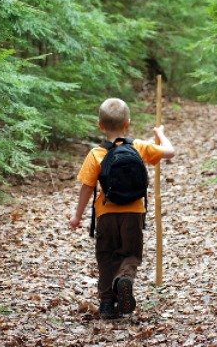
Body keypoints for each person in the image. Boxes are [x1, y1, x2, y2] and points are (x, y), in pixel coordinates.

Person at [69, 98, 175, 319]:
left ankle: (107, 303)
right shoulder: (138, 147)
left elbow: (87, 188)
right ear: (127, 123)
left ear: (100, 125)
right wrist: (160, 133)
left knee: (106, 256)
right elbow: (170, 151)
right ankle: (124, 278)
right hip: (134, 213)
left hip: (106, 214)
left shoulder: (95, 154)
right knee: (131, 254)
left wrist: (77, 216)